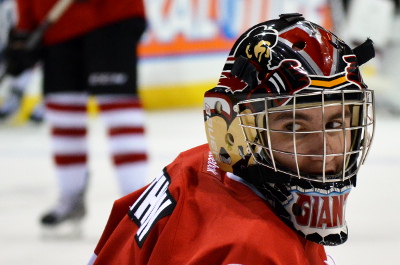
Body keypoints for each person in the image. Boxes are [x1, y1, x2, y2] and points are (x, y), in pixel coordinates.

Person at [87, 13, 375, 265]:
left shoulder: (195, 164)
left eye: (336, 123)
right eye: (294, 127)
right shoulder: (253, 248)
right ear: (236, 131)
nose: (325, 149)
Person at [10, 0, 148, 227]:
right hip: (55, 27)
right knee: (63, 113)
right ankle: (71, 196)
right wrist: (25, 28)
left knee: (119, 112)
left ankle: (138, 205)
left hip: (111, 17)